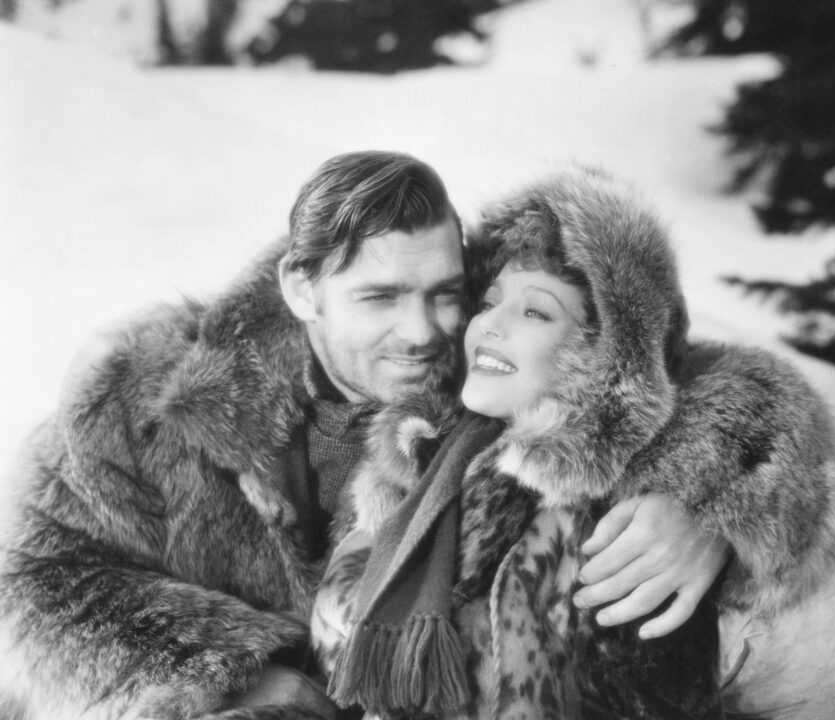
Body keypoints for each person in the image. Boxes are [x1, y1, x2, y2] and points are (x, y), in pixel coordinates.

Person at [0, 152, 729, 720]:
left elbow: (666, 367)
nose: (421, 332)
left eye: (444, 293)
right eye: (378, 298)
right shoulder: (140, 389)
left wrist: (706, 497)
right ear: (300, 288)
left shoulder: (486, 365)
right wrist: (232, 675)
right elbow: (31, 579)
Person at [311, 167, 835, 719]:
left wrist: (714, 510)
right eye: (487, 301)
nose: (488, 325)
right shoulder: (421, 458)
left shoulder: (613, 525)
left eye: (535, 311)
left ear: (604, 356)